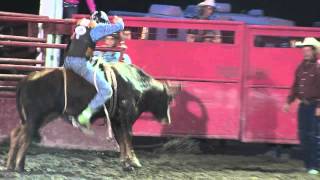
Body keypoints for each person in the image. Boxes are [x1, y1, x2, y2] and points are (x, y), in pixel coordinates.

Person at [64, 11, 124, 129]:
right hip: (79, 63)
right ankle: (84, 116)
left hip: (67, 61)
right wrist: (119, 21)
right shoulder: (98, 27)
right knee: (106, 90)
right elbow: (119, 27)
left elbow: (73, 40)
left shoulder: (81, 24)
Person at [284, 37, 320, 175]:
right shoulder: (301, 66)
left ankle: (315, 165)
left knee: (314, 136)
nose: (304, 52)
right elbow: (296, 86)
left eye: (307, 50)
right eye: (303, 50)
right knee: (303, 135)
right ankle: (307, 164)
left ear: (314, 51)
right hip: (303, 105)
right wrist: (289, 101)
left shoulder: (318, 66)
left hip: (314, 105)